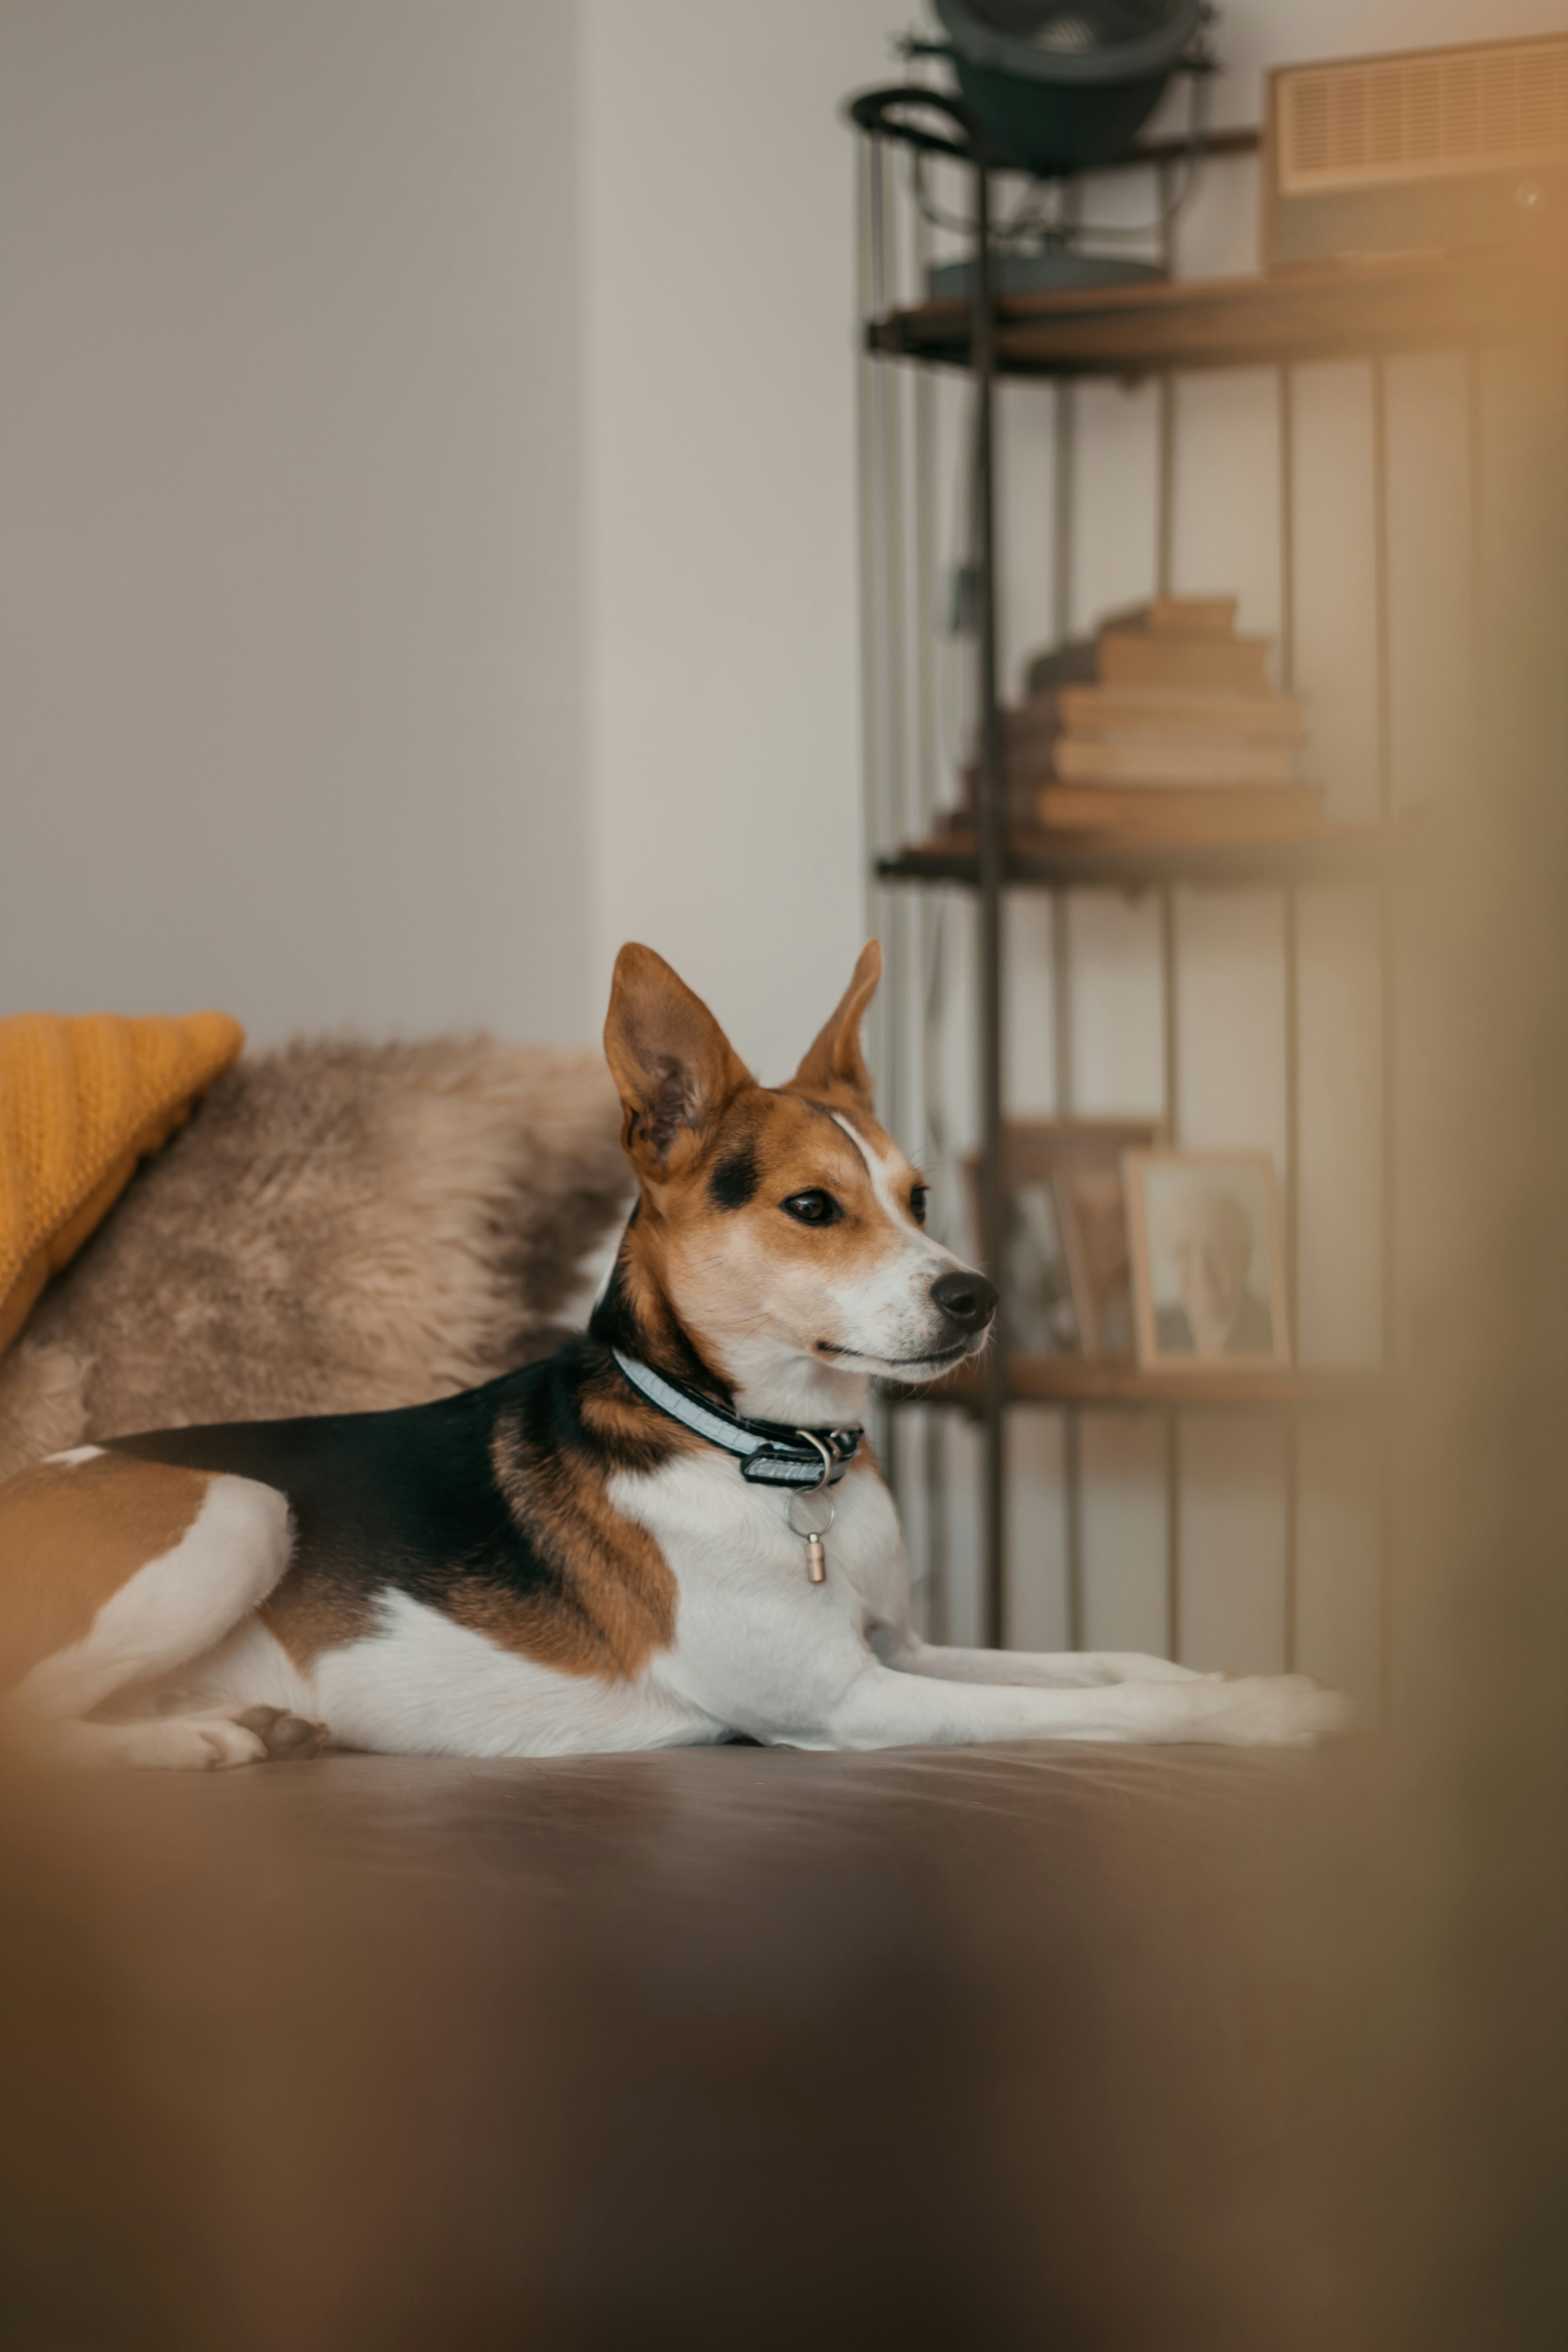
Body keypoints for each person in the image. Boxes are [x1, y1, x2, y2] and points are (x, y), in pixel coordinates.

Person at [1155, 1186, 1273, 1357]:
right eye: (1184, 1251)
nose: (1201, 1269)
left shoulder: (1270, 1330)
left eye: (1217, 1248)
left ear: (1245, 1259)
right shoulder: (1157, 1329)